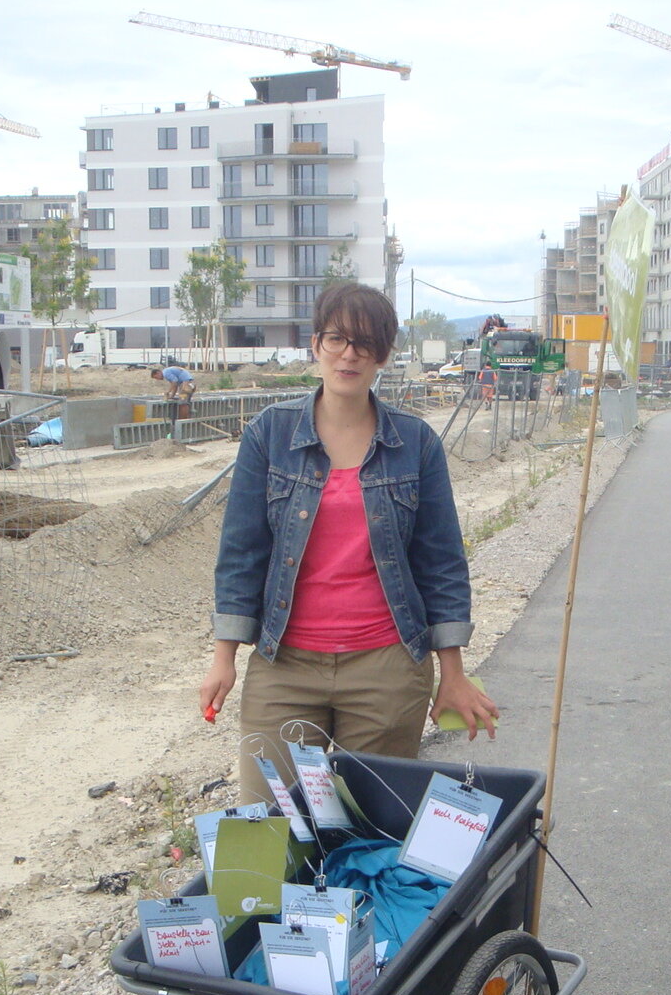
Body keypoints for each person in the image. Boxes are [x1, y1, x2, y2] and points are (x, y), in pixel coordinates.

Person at [201, 282, 499, 803]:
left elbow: (441, 562)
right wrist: (223, 656)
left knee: (370, 833)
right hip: (284, 665)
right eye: (337, 339)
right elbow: (242, 551)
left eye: (366, 344)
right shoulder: (269, 435)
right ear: (316, 344)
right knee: (272, 830)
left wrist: (452, 671)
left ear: (383, 355)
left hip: (386, 667)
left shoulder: (415, 444)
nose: (349, 354)